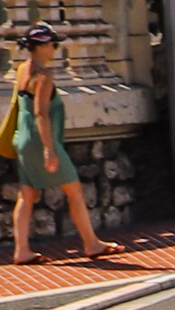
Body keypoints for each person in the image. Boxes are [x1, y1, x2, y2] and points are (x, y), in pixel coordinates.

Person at [8, 23, 121, 264]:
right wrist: (49, 149)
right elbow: (41, 114)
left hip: (23, 138)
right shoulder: (43, 76)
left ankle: (22, 250)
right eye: (52, 44)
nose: (54, 49)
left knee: (26, 194)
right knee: (74, 190)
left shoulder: (22, 70)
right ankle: (91, 243)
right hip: (40, 140)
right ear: (40, 47)